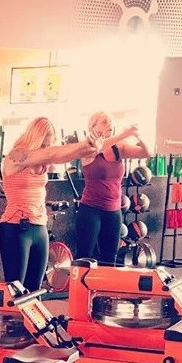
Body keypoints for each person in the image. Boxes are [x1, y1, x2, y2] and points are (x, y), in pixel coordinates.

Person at [0, 117, 97, 290]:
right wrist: (83, 144)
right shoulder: (16, 156)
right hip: (16, 228)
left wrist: (89, 145)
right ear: (35, 138)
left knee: (35, 290)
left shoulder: (43, 160)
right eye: (44, 145)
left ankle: (31, 318)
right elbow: (53, 153)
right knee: (16, 290)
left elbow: (63, 155)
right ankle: (13, 318)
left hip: (40, 227)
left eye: (49, 145)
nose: (47, 149)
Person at [75, 112, 151, 266]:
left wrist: (138, 136)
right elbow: (99, 146)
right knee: (84, 257)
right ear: (93, 127)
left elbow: (147, 153)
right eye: (105, 122)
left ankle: (104, 290)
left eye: (111, 122)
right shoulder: (88, 147)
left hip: (113, 211)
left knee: (110, 259)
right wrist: (126, 133)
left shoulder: (119, 148)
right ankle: (81, 289)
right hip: (90, 210)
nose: (110, 124)